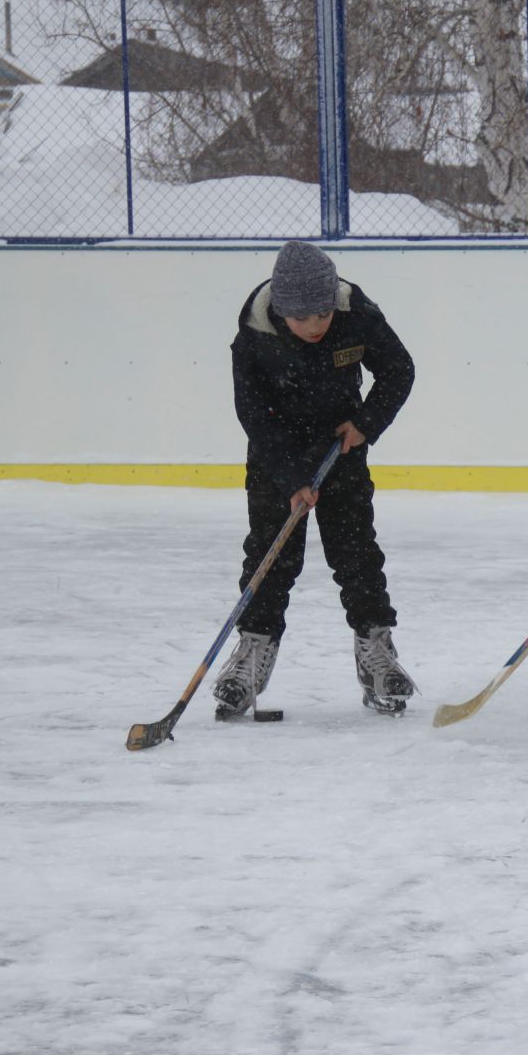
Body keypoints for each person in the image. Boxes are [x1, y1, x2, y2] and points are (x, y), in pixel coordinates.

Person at [213, 240, 418, 719]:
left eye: (322, 315)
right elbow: (253, 415)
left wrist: (366, 423)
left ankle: (377, 652)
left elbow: (399, 370)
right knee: (271, 553)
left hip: (339, 447)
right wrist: (289, 478)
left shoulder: (356, 313)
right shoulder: (254, 334)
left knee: (357, 553)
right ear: (282, 310)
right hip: (276, 455)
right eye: (302, 318)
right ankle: (251, 652)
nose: (314, 326)